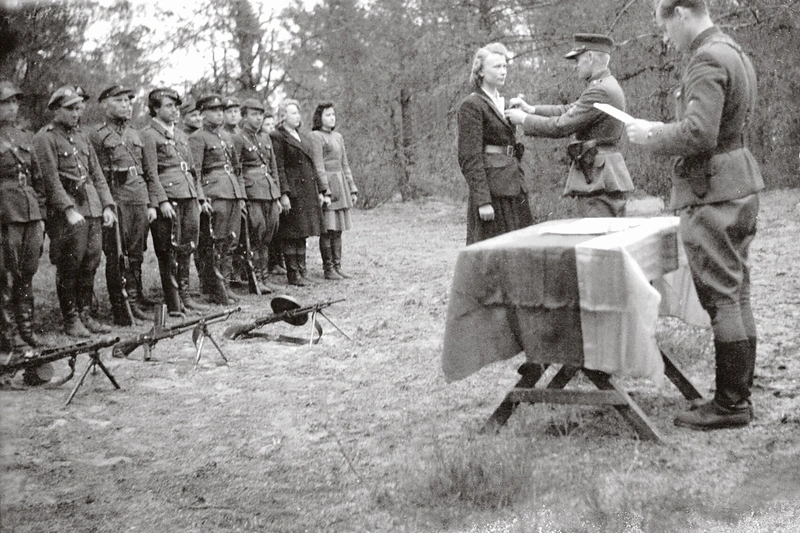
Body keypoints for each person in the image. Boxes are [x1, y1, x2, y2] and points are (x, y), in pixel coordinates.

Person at [625, 0, 763, 430]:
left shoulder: (705, 58)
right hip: (738, 184)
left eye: (665, 27)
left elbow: (700, 132)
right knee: (736, 292)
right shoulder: (733, 51)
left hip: (713, 191)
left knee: (722, 296)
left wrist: (651, 135)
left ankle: (730, 405)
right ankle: (736, 396)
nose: (666, 38)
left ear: (681, 13)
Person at [505, 34, 634, 218]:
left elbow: (561, 126)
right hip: (603, 171)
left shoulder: (599, 90)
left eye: (578, 59)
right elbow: (568, 109)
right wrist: (531, 109)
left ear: (590, 57)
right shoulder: (603, 85)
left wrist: (524, 119)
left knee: (595, 238)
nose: (576, 66)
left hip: (597, 175)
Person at [33, 86, 116, 337]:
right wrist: (68, 209)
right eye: (70, 109)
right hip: (67, 208)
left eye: (79, 108)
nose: (76, 114)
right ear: (56, 109)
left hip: (90, 206)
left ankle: (85, 314)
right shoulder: (45, 138)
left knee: (91, 261)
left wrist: (107, 206)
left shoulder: (82, 137)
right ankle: (70, 318)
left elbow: (97, 175)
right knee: (70, 263)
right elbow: (50, 179)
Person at [88, 85, 158, 325]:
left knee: (137, 253)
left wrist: (150, 202)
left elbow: (148, 171)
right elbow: (95, 174)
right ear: (105, 104)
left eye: (128, 101)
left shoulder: (135, 134)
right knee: (118, 255)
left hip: (138, 198)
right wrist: (106, 204)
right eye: (119, 101)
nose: (126, 105)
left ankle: (136, 300)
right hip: (116, 199)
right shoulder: (96, 135)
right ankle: (120, 305)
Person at [141, 87, 212, 318]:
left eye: (176, 106)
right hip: (169, 200)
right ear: (155, 109)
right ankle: (173, 303)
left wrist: (199, 198)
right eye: (169, 106)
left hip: (188, 195)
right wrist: (161, 201)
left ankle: (186, 296)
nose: (175, 111)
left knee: (187, 247)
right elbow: (150, 173)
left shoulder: (181, 135)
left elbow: (192, 171)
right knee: (167, 252)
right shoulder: (149, 135)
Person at [457, 42, 533, 245]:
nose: (503, 72)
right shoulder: (472, 106)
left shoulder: (506, 104)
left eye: (505, 66)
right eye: (496, 67)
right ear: (480, 71)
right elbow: (469, 157)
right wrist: (483, 201)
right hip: (492, 193)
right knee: (492, 256)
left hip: (514, 188)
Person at [0, 81, 46, 352]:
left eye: (15, 102)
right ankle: (9, 334)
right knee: (4, 274)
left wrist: (39, 213)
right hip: (5, 213)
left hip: (29, 212)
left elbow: (37, 178)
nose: (13, 107)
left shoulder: (24, 136)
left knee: (27, 273)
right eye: (6, 103)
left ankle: (26, 329)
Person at [189, 94, 246, 304]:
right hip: (214, 193)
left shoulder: (226, 136)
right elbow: (194, 171)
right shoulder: (198, 137)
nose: (219, 114)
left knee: (231, 242)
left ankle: (226, 285)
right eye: (214, 110)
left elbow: (237, 169)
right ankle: (214, 288)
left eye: (222, 110)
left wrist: (241, 196)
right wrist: (201, 198)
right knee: (216, 242)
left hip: (232, 192)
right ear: (203, 113)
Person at [270, 99, 330, 286]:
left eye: (298, 112)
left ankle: (302, 271)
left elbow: (311, 165)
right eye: (293, 113)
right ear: (283, 116)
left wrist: (321, 190)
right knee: (291, 233)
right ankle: (293, 273)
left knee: (302, 232)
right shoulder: (277, 136)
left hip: (306, 190)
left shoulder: (301, 136)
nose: (298, 116)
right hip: (292, 190)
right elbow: (278, 167)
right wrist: (284, 194)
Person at [232, 98, 282, 292]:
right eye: (254, 114)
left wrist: (276, 194)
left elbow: (273, 167)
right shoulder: (238, 138)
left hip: (268, 191)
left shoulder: (265, 138)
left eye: (261, 114)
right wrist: (242, 198)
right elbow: (237, 170)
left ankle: (264, 277)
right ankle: (255, 279)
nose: (258, 118)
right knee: (256, 234)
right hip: (252, 192)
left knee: (268, 235)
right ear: (244, 116)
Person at [310, 103, 358, 279]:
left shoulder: (338, 136)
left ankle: (338, 266)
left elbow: (345, 163)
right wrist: (325, 190)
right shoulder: (315, 136)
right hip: (327, 184)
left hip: (341, 183)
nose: (332, 118)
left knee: (338, 229)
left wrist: (352, 188)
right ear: (319, 117)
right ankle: (328, 268)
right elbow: (318, 165)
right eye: (328, 115)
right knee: (328, 228)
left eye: (333, 115)